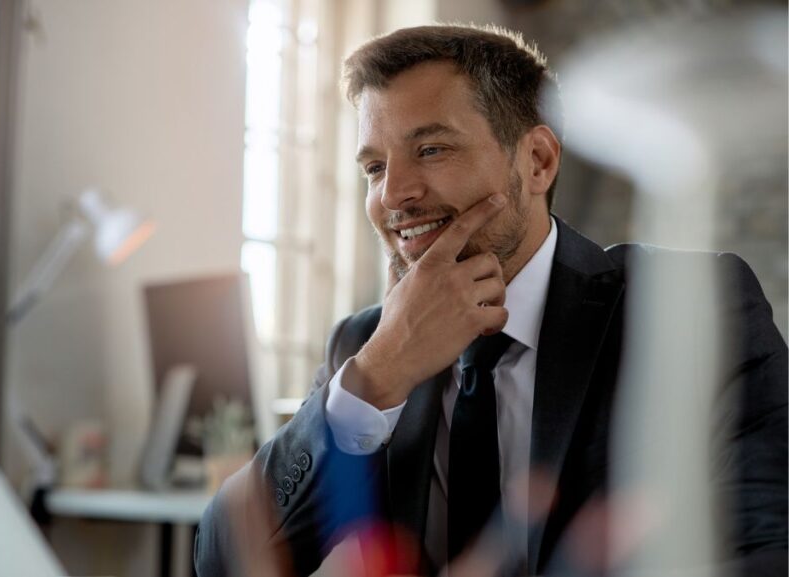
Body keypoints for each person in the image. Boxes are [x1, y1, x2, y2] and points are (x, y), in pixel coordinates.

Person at [195, 23, 787, 577]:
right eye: (375, 166)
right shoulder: (368, 346)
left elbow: (769, 547)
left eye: (431, 150)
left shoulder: (689, 308)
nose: (393, 195)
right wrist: (377, 376)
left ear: (537, 161)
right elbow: (224, 560)